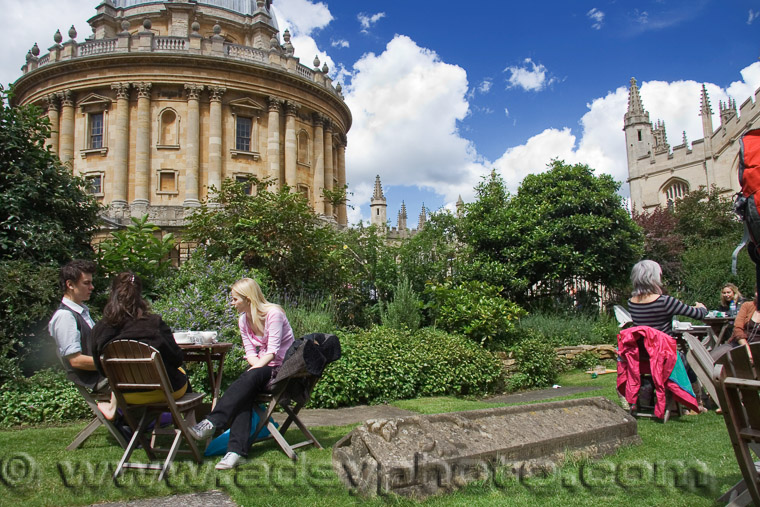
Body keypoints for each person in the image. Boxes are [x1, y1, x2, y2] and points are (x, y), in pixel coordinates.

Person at [189, 278, 294, 470]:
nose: (232, 303)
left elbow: (272, 352)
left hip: (282, 369)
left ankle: (213, 422)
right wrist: (254, 369)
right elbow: (251, 353)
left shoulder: (274, 314)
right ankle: (234, 453)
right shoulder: (243, 320)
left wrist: (254, 370)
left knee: (249, 379)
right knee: (245, 392)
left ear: (248, 299)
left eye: (235, 299)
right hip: (262, 367)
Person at [91, 272, 189, 413]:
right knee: (181, 372)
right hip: (164, 392)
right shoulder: (154, 324)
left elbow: (100, 368)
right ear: (140, 294)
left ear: (112, 293)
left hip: (123, 394)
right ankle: (190, 425)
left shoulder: (100, 328)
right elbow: (177, 358)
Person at [49, 260, 116, 417]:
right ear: (70, 284)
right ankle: (148, 426)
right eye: (86, 283)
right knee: (149, 381)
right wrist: (113, 364)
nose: (91, 287)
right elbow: (76, 360)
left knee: (154, 376)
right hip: (98, 379)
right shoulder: (65, 317)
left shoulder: (81, 312)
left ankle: (141, 426)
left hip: (106, 375)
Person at [627, 260, 707, 336]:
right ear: (655, 277)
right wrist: (701, 307)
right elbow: (699, 314)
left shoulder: (631, 302)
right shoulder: (666, 302)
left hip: (641, 349)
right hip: (663, 348)